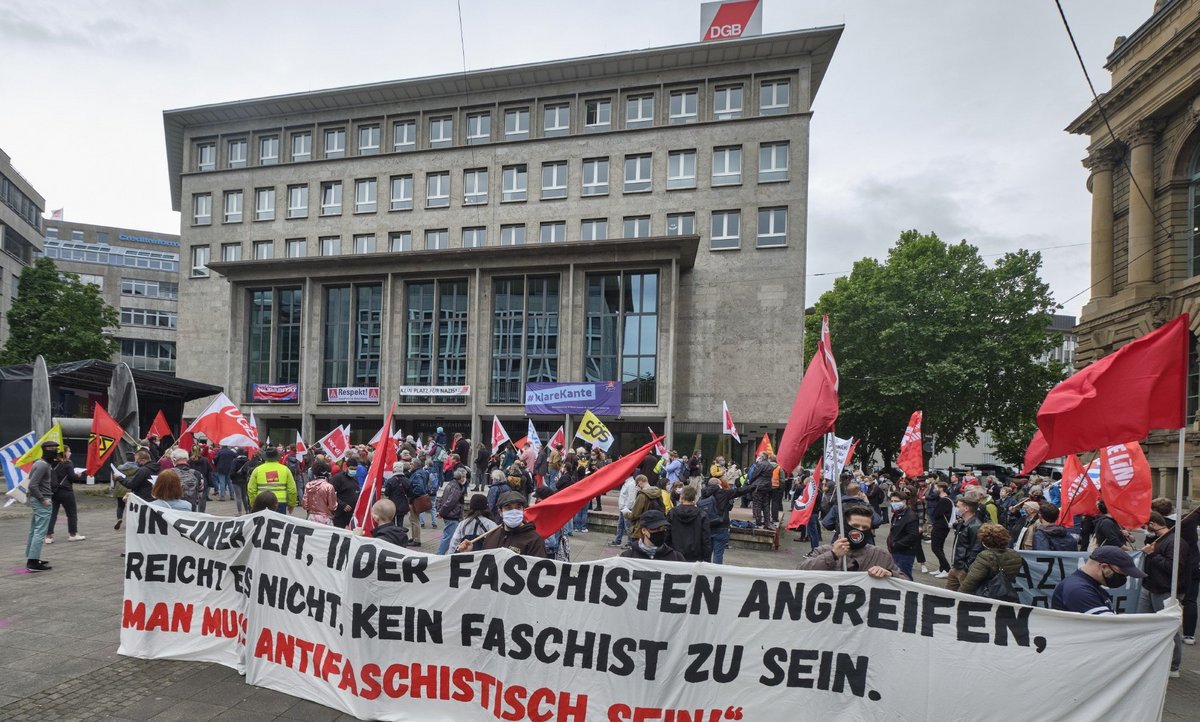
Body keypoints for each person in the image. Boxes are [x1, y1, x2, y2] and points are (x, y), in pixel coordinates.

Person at [1140, 511, 1188, 678]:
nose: (1146, 530)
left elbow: (1174, 567)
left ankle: (1173, 665)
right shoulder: (1159, 540)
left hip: (1165, 589)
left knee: (1169, 627)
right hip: (1151, 587)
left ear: (1153, 524)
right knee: (1145, 623)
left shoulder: (1175, 542)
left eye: (1147, 526)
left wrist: (1152, 554)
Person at [799, 506, 907, 579]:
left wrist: (890, 574)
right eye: (855, 526)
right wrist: (832, 555)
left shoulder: (881, 555)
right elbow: (801, 572)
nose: (860, 530)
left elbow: (906, 582)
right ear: (845, 526)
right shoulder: (824, 551)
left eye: (865, 527)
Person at [1052, 546, 1146, 615]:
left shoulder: (1091, 586)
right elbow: (1110, 628)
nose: (1123, 578)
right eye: (1121, 574)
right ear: (1104, 567)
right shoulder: (1078, 590)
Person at [457, 490, 545, 557]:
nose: (514, 511)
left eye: (518, 507)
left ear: (523, 510)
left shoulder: (534, 539)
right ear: (500, 512)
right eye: (508, 508)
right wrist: (468, 554)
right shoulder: (491, 536)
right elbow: (483, 567)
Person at [700, 475, 755, 564]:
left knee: (707, 553)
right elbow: (739, 491)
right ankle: (716, 573)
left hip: (706, 527)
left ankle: (706, 572)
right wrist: (753, 486)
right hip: (721, 525)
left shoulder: (703, 495)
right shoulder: (724, 493)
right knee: (718, 553)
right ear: (718, 484)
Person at [959, 523, 1022, 598]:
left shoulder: (985, 556)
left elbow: (970, 582)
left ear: (984, 540)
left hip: (986, 596)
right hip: (1006, 594)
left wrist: (958, 596)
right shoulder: (1015, 555)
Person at [24, 440, 60, 572]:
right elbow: (33, 485)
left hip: (38, 499)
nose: (55, 450)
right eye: (52, 448)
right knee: (40, 531)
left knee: (34, 530)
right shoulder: (43, 465)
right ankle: (33, 562)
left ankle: (33, 558)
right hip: (42, 500)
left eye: (55, 448)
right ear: (45, 449)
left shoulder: (40, 463)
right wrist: (43, 499)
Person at [45, 445, 85, 544]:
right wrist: (78, 475)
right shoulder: (68, 463)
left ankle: (48, 536)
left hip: (54, 491)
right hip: (66, 491)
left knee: (52, 514)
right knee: (71, 513)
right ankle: (73, 534)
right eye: (69, 451)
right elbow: (72, 477)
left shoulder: (51, 463)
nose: (70, 453)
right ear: (64, 453)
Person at [947, 497, 984, 592]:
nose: (956, 509)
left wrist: (966, 567)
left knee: (964, 595)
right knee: (948, 594)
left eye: (958, 506)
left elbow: (976, 548)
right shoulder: (963, 523)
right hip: (956, 565)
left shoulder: (975, 526)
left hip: (963, 568)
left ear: (966, 509)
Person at [666, 486, 711, 562]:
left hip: (675, 553)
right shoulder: (702, 514)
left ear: (681, 496)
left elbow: (667, 534)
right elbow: (706, 538)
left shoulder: (672, 513)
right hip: (695, 555)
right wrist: (707, 559)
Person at [248, 446, 297, 515]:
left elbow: (251, 489)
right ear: (277, 457)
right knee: (278, 525)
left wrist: (254, 503)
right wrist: (291, 504)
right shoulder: (285, 470)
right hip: (280, 502)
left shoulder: (257, 470)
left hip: (262, 501)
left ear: (265, 457)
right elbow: (292, 490)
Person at [621, 510, 686, 562]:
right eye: (656, 529)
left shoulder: (676, 558)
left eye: (663, 529)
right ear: (644, 531)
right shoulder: (627, 557)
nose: (660, 532)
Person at [115, 450, 156, 530]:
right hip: (154, 496)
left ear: (143, 460)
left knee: (141, 521)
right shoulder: (157, 467)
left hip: (142, 497)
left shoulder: (143, 470)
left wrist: (119, 478)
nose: (136, 462)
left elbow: (132, 485)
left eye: (137, 460)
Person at [886, 490, 921, 579]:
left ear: (904, 501)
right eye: (892, 501)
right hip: (895, 551)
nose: (893, 503)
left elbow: (913, 535)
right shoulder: (897, 514)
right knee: (896, 574)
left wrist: (896, 544)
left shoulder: (911, 516)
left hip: (904, 553)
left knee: (904, 576)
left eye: (896, 501)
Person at [437, 469, 466, 554]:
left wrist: (440, 510)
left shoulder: (451, 484)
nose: (464, 479)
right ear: (459, 477)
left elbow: (443, 499)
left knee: (450, 536)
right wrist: (441, 512)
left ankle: (447, 554)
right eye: (463, 476)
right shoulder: (456, 487)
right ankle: (439, 555)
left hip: (450, 514)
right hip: (452, 515)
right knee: (448, 537)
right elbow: (450, 502)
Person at [928, 481, 953, 578]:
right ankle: (942, 568)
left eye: (936, 488)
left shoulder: (944, 500)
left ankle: (947, 568)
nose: (934, 490)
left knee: (936, 548)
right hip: (941, 526)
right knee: (939, 547)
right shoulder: (945, 500)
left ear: (941, 489)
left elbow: (937, 513)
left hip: (940, 526)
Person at [302, 461, 338, 526]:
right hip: (325, 519)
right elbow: (332, 506)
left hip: (311, 518)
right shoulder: (329, 487)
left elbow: (305, 505)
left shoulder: (308, 485)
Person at [609, 473, 640, 547]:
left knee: (628, 527)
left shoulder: (631, 484)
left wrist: (626, 508)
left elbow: (631, 499)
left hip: (626, 509)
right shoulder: (627, 483)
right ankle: (618, 540)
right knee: (620, 525)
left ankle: (630, 543)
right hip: (623, 508)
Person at [330, 457, 359, 528]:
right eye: (351, 469)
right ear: (346, 467)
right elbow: (330, 494)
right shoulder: (338, 478)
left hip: (352, 513)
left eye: (355, 469)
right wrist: (342, 505)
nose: (353, 471)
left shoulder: (354, 478)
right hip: (340, 513)